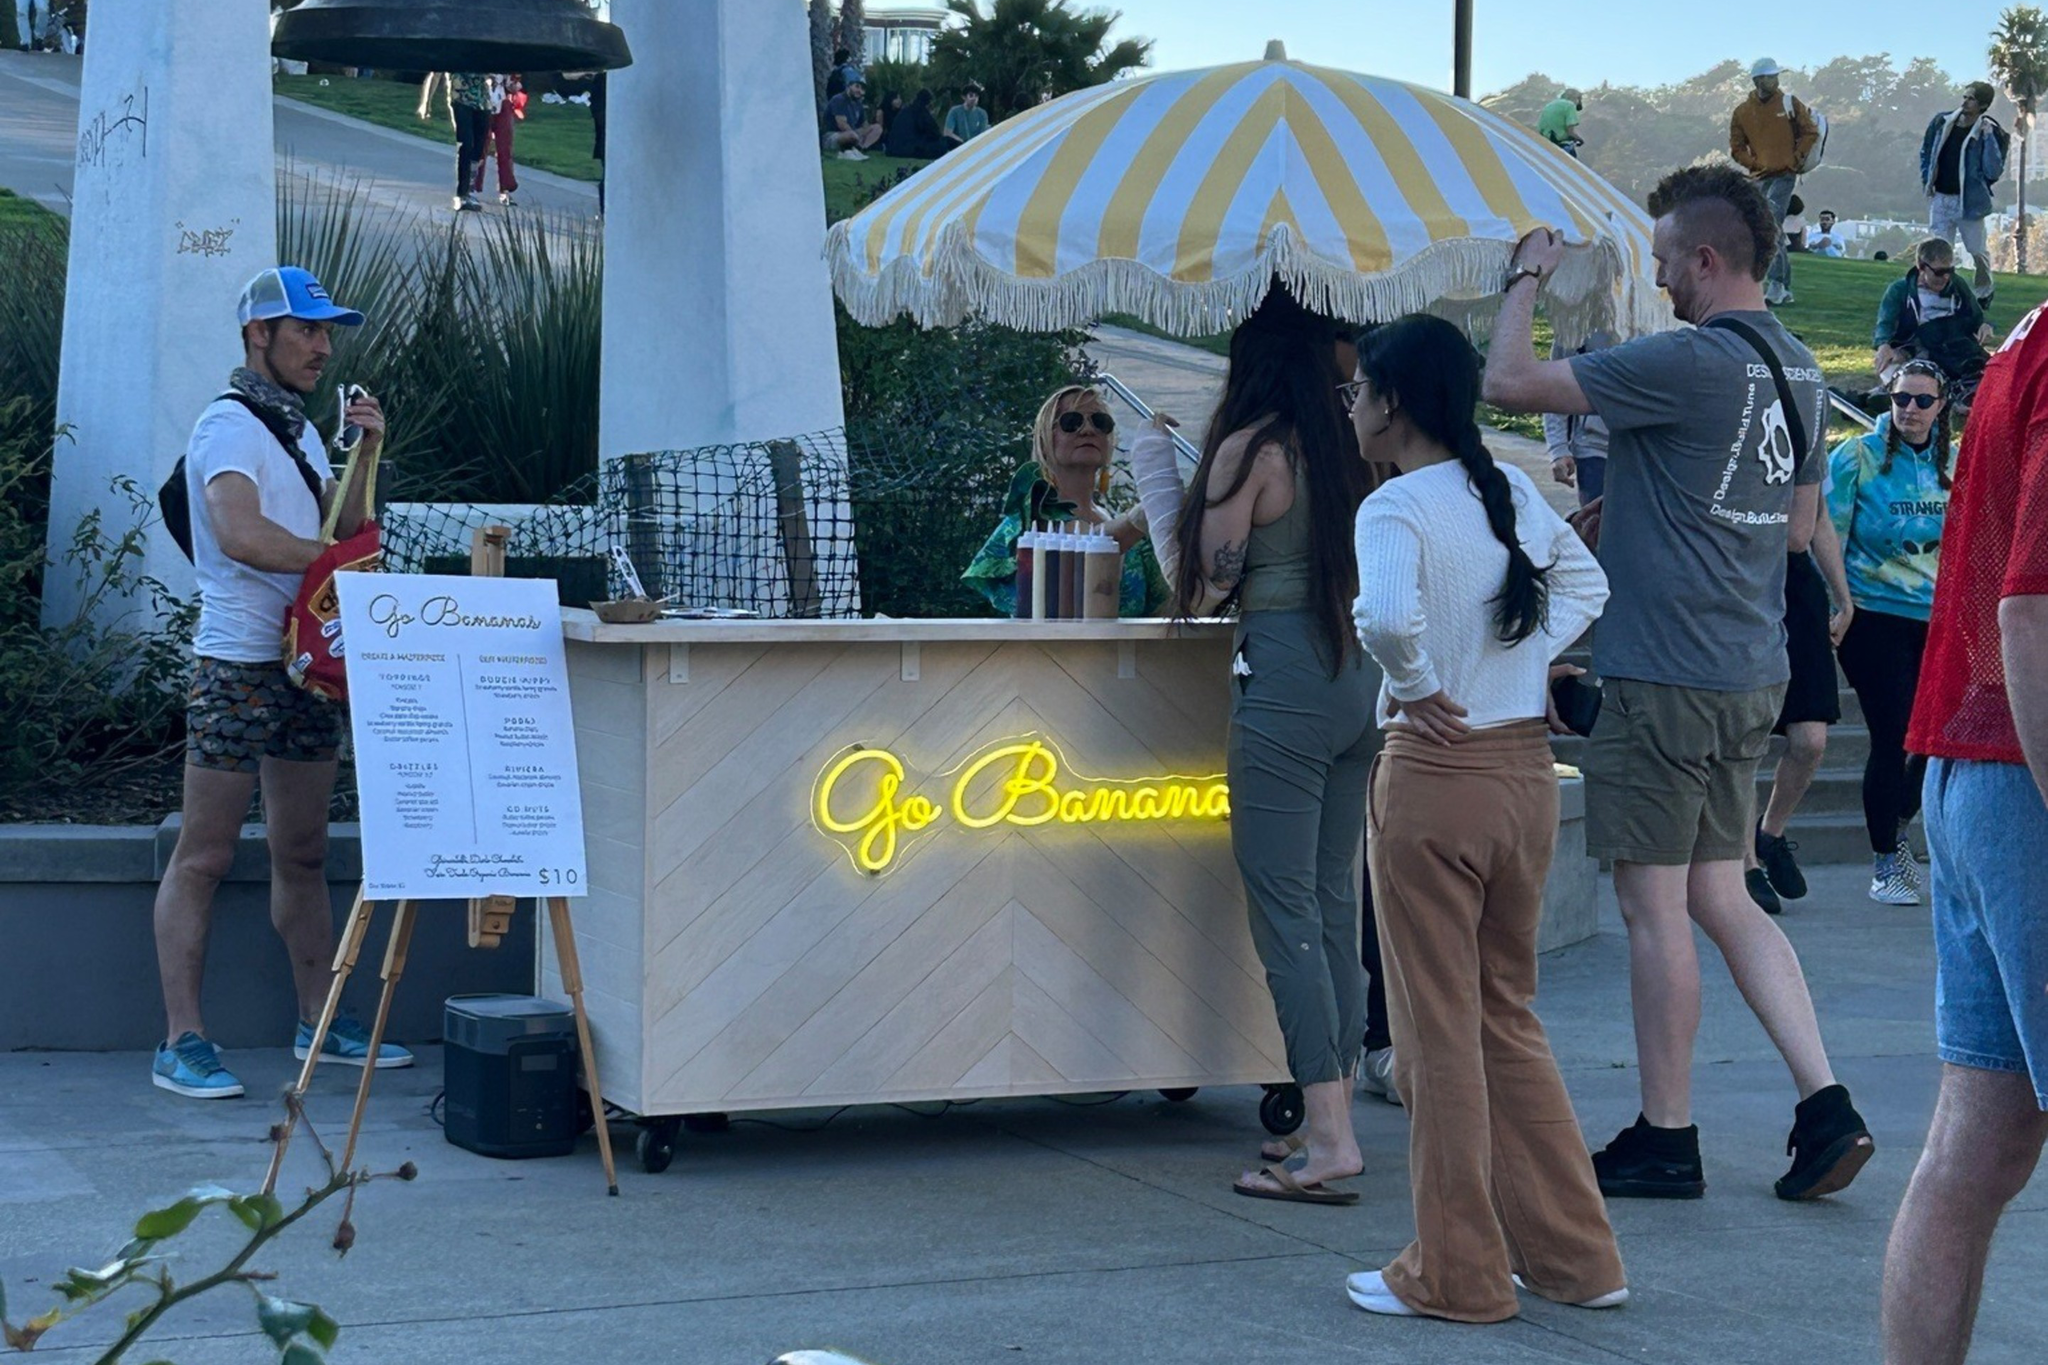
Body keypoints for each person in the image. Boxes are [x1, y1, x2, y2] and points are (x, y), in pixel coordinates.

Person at [1482, 163, 1874, 1202]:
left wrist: (1522, 278)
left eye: (1661, 259)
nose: (1655, 278)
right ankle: (1824, 1104)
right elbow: (1792, 526)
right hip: (1748, 666)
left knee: (1650, 906)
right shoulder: (1793, 365)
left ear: (1705, 259)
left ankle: (1666, 1135)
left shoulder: (1687, 359)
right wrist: (1655, 515)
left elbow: (1508, 385)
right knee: (1719, 892)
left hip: (1663, 673)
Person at [1341, 315, 1624, 1323]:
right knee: (1504, 1015)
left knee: (1434, 1033)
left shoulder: (1394, 507)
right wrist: (1519, 654)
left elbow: (1380, 621)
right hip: (1520, 775)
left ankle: (1454, 1271)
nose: (1351, 404)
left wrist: (1414, 683)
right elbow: (1585, 582)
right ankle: (1576, 1260)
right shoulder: (1503, 487)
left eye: (1359, 388)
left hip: (1434, 770)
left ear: (1392, 400)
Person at [1130, 287, 1376, 1204]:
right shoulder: (1355, 447)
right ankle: (1332, 1115)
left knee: (1284, 916)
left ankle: (1333, 1139)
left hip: (1283, 678)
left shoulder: (1255, 450)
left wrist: (1157, 473)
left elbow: (1194, 585)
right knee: (1332, 903)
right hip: (1360, 678)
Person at [151, 267, 414, 1099]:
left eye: (328, 331)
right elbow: (238, 534)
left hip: (304, 665)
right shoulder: (227, 427)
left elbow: (343, 524)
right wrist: (339, 566)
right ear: (256, 335)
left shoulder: (298, 429)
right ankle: (181, 1041)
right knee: (206, 854)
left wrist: (366, 453)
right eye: (304, 330)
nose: (323, 346)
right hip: (237, 665)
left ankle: (317, 1019)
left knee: (302, 850)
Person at [1879, 299, 2048, 1365]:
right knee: (1968, 1151)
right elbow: (2028, 610)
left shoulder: (2025, 342)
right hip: (2021, 784)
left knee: (1970, 1149)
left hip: (1974, 768)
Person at [1827, 360, 1955, 908]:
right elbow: (1825, 531)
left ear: (1941, 407)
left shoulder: (1955, 464)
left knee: (1937, 735)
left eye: (1923, 401)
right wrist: (1839, 600)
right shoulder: (1856, 456)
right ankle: (1887, 861)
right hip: (1872, 614)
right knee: (1895, 731)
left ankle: (1897, 822)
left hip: (1938, 619)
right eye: (1901, 399)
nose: (1910, 410)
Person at [959, 385, 1170, 617]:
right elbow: (1073, 563)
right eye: (1071, 422)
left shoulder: (1136, 539)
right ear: (1045, 439)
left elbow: (1164, 614)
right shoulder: (1027, 522)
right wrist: (1150, 504)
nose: (1088, 429)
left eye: (1100, 422)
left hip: (1124, 653)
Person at [1745, 475, 1853, 916]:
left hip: (1797, 583)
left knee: (1810, 740)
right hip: (1741, 579)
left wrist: (1843, 598)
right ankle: (1745, 864)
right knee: (1745, 735)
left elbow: (1819, 517)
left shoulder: (1807, 419)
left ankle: (1768, 836)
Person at [1729, 57, 1818, 307]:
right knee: (1763, 227)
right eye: (1770, 76)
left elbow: (1810, 132)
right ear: (1758, 80)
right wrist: (1754, 164)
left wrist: (1796, 157)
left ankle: (1777, 285)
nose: (1775, 80)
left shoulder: (1789, 102)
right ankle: (1783, 287)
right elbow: (1737, 147)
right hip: (1760, 176)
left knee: (1770, 224)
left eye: (1776, 76)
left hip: (1785, 174)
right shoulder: (1742, 112)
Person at [1921, 82, 2010, 306]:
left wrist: (1988, 138)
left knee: (1977, 251)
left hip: (1968, 201)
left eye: (1970, 98)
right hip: (1941, 196)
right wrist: (1927, 179)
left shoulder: (1989, 131)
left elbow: (1993, 170)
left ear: (1983, 105)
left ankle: (1984, 290)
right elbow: (1927, 151)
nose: (1964, 102)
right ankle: (1940, 290)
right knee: (1939, 248)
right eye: (1964, 96)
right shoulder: (1943, 122)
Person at [1873, 238, 1995, 397]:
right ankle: (1893, 392)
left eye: (1949, 271)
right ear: (1921, 267)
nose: (1945, 277)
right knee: (1892, 362)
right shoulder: (1900, 290)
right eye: (1939, 272)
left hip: (1953, 344)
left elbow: (1975, 316)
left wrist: (1984, 326)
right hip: (1916, 345)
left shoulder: (1957, 286)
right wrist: (1883, 345)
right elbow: (1885, 323)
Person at [1542, 331, 1613, 507]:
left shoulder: (1663, 315)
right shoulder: (1579, 320)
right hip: (1595, 450)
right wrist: (1558, 448)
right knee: (1596, 530)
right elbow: (1556, 386)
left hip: (1653, 451)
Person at [472, 73, 525, 207]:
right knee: (479, 147)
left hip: (503, 103)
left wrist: (514, 85)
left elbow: (511, 84)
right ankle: (471, 187)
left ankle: (505, 189)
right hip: (482, 102)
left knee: (505, 148)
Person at [443, 72, 493, 213]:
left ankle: (469, 190)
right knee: (466, 144)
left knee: (479, 147)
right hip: (461, 98)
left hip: (483, 101)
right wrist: (426, 103)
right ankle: (461, 193)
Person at [822, 76, 882, 160]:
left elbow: (864, 124)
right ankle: (853, 148)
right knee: (851, 135)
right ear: (849, 86)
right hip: (833, 135)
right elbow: (841, 124)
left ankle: (861, 149)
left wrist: (863, 132)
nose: (859, 91)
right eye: (857, 86)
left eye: (862, 89)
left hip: (852, 133)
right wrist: (857, 136)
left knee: (877, 128)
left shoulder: (858, 104)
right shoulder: (839, 99)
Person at [886, 88, 948, 160]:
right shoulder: (921, 112)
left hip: (894, 148)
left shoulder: (906, 110)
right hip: (909, 148)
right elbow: (934, 133)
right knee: (942, 145)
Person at [1538, 87, 1585, 157]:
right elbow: (1570, 132)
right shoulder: (1570, 105)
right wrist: (1579, 139)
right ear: (1576, 98)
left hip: (1545, 142)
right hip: (1560, 144)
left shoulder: (1549, 105)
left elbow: (1540, 128)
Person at [944, 83, 990, 149]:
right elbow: (947, 133)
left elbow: (983, 134)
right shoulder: (954, 111)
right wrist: (962, 143)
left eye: (976, 96)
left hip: (976, 146)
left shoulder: (982, 113)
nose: (974, 98)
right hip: (958, 146)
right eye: (971, 95)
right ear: (964, 97)